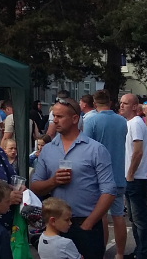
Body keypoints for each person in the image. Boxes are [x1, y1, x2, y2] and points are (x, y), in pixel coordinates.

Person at [31, 97, 115, 259]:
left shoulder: (95, 149)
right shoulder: (48, 150)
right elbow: (35, 187)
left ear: (75, 118)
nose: (55, 120)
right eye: (53, 116)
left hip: (86, 224)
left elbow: (109, 191)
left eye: (60, 117)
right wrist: (53, 181)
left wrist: (89, 223)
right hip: (57, 228)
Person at [84, 90, 129, 259]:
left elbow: (86, 147)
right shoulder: (122, 121)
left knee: (101, 216)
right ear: (110, 102)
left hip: (97, 176)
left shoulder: (91, 120)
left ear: (94, 104)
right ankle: (119, 254)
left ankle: (101, 251)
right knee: (118, 216)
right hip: (118, 173)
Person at [121, 93, 147, 259]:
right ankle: (139, 250)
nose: (121, 106)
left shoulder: (136, 123)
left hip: (137, 179)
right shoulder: (129, 123)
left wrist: (131, 173)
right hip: (131, 178)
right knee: (134, 218)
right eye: (121, 103)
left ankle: (143, 253)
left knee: (139, 219)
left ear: (134, 106)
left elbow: (138, 151)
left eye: (125, 103)